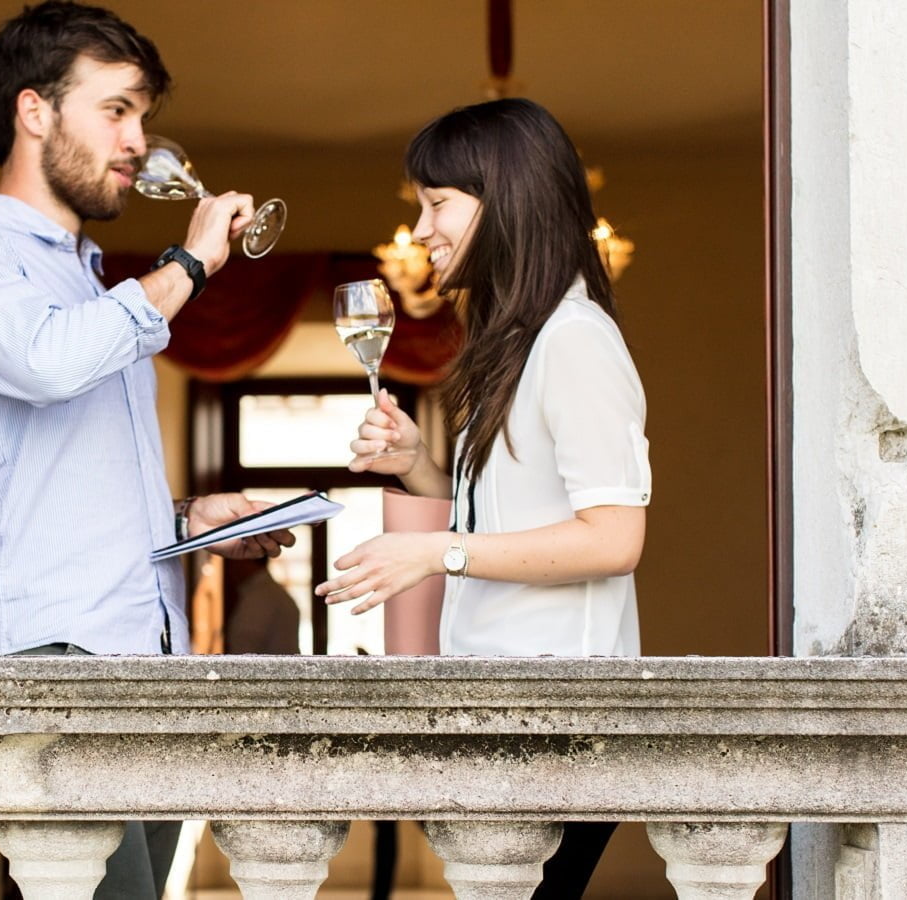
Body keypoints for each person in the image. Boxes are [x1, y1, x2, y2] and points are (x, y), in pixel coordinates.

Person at [0, 3, 292, 896]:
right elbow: (48, 364)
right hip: (49, 656)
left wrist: (188, 520)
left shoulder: (92, 285)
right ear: (34, 111)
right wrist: (190, 266)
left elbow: (63, 486)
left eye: (142, 116)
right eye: (116, 110)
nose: (137, 140)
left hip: (143, 654)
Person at [315, 98, 652, 900]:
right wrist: (422, 468)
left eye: (437, 204)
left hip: (558, 722)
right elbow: (504, 515)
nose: (423, 229)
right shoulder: (521, 342)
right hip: (509, 710)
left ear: (506, 200)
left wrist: (434, 551)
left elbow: (614, 539)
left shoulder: (574, 340)